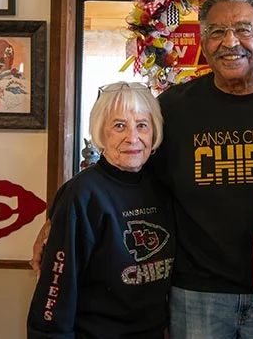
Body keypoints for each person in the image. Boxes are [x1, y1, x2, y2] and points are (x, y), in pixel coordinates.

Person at [32, 0, 253, 339]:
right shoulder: (174, 108)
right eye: (215, 31)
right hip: (196, 294)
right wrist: (56, 218)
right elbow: (123, 171)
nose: (230, 42)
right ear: (202, 40)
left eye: (243, 29)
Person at [27, 81, 174, 339]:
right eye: (119, 126)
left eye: (142, 125)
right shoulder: (82, 194)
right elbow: (56, 288)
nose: (133, 138)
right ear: (100, 134)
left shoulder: (162, 187)